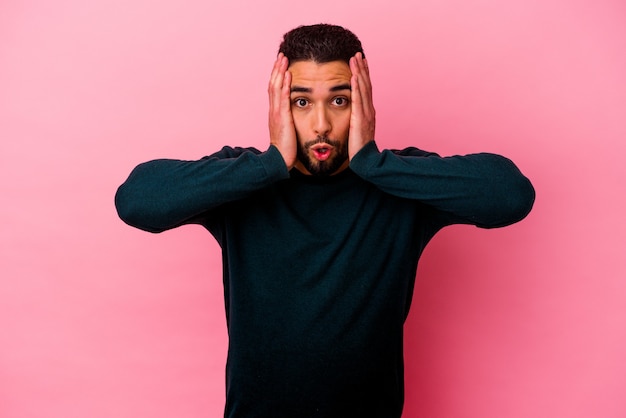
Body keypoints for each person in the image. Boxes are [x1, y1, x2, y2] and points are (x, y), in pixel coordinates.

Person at [115, 23, 535, 418]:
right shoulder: (243, 180)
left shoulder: (400, 182)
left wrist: (375, 163)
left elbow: (511, 195)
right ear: (279, 104)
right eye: (301, 102)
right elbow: (137, 201)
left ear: (364, 103)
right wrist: (270, 163)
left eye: (339, 100)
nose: (320, 125)